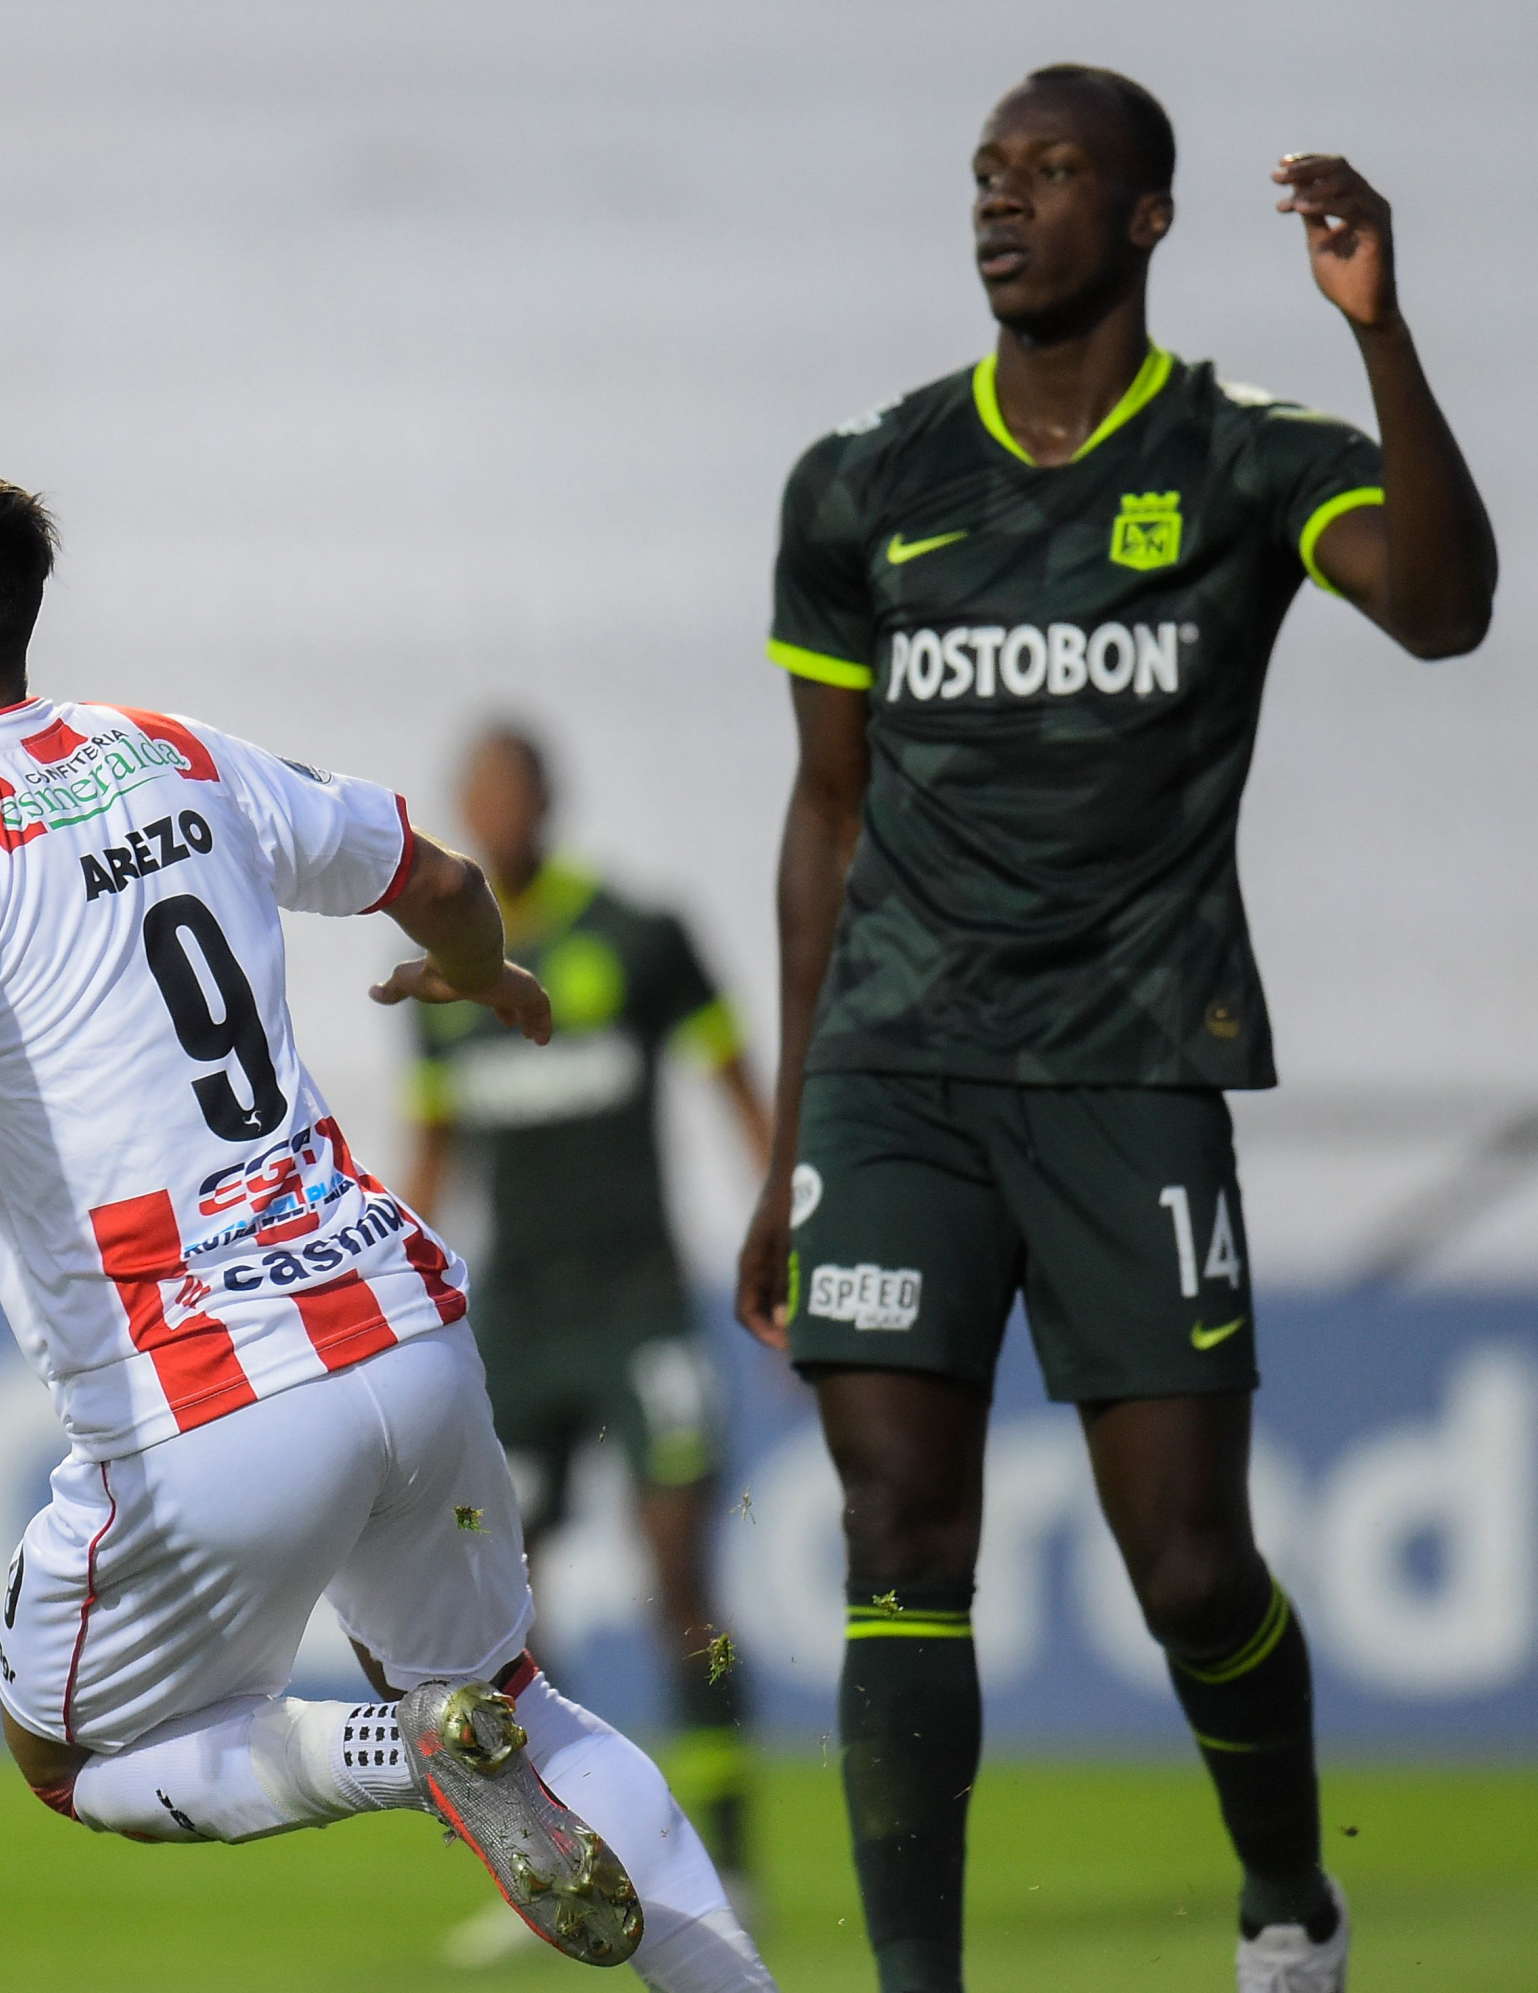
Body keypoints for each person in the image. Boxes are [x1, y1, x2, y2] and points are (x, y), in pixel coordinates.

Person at [0, 449, 776, 1991]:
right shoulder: (175, 750)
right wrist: (476, 965)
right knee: (527, 1697)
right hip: (401, 1329)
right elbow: (438, 874)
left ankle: (404, 1752)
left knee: (69, 1757)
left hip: (207, 1393)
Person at [733, 66, 1495, 1993]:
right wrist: (784, 1145)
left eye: (1055, 175)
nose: (1007, 205)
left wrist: (1383, 327)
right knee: (901, 1525)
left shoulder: (1245, 453)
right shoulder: (867, 478)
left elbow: (1446, 610)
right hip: (895, 1073)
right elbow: (826, 816)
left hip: (1133, 1067)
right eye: (989, 176)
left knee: (1192, 1568)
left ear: (1147, 217)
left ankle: (1289, 1902)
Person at [399, 723, 772, 1964]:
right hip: (520, 1320)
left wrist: (783, 1226)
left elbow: (733, 1079)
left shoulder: (642, 935)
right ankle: (556, 1852)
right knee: (497, 1607)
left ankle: (731, 1854)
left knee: (682, 1576)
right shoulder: (448, 980)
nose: (494, 812)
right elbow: (435, 1153)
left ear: (549, 801)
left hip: (639, 1305)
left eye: (511, 791)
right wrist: (401, 1306)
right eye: (475, 796)